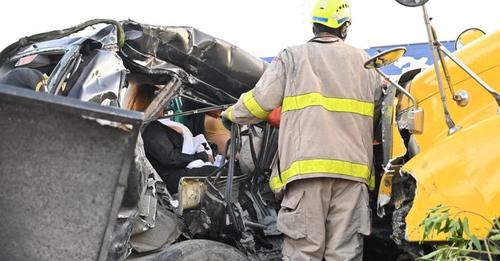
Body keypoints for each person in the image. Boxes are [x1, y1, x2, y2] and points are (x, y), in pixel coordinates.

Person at [221, 0, 384, 260]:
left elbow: (259, 102)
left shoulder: (292, 57)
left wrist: (231, 114)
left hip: (307, 175)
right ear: (345, 28)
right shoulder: (366, 62)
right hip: (353, 177)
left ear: (314, 26)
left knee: (304, 252)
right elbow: (380, 113)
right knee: (344, 254)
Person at [126, 83, 217, 194]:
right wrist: (201, 156)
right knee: (220, 173)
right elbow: (170, 159)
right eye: (160, 101)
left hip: (180, 171)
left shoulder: (152, 126)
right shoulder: (151, 128)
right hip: (174, 177)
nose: (165, 105)